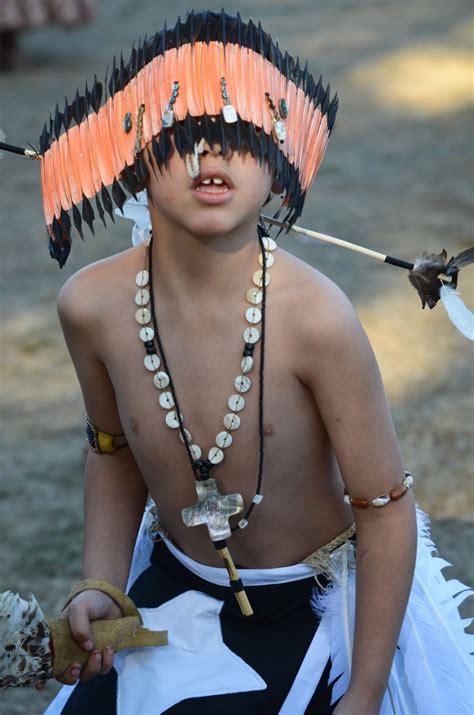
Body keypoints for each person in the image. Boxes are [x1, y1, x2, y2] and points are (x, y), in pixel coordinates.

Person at [26, 10, 469, 715]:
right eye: (183, 132)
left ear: (279, 162)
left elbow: (385, 508)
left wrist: (365, 689)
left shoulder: (317, 319)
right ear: (137, 153)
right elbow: (112, 450)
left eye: (241, 134)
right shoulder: (92, 305)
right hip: (176, 589)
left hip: (323, 611)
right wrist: (101, 585)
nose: (212, 153)